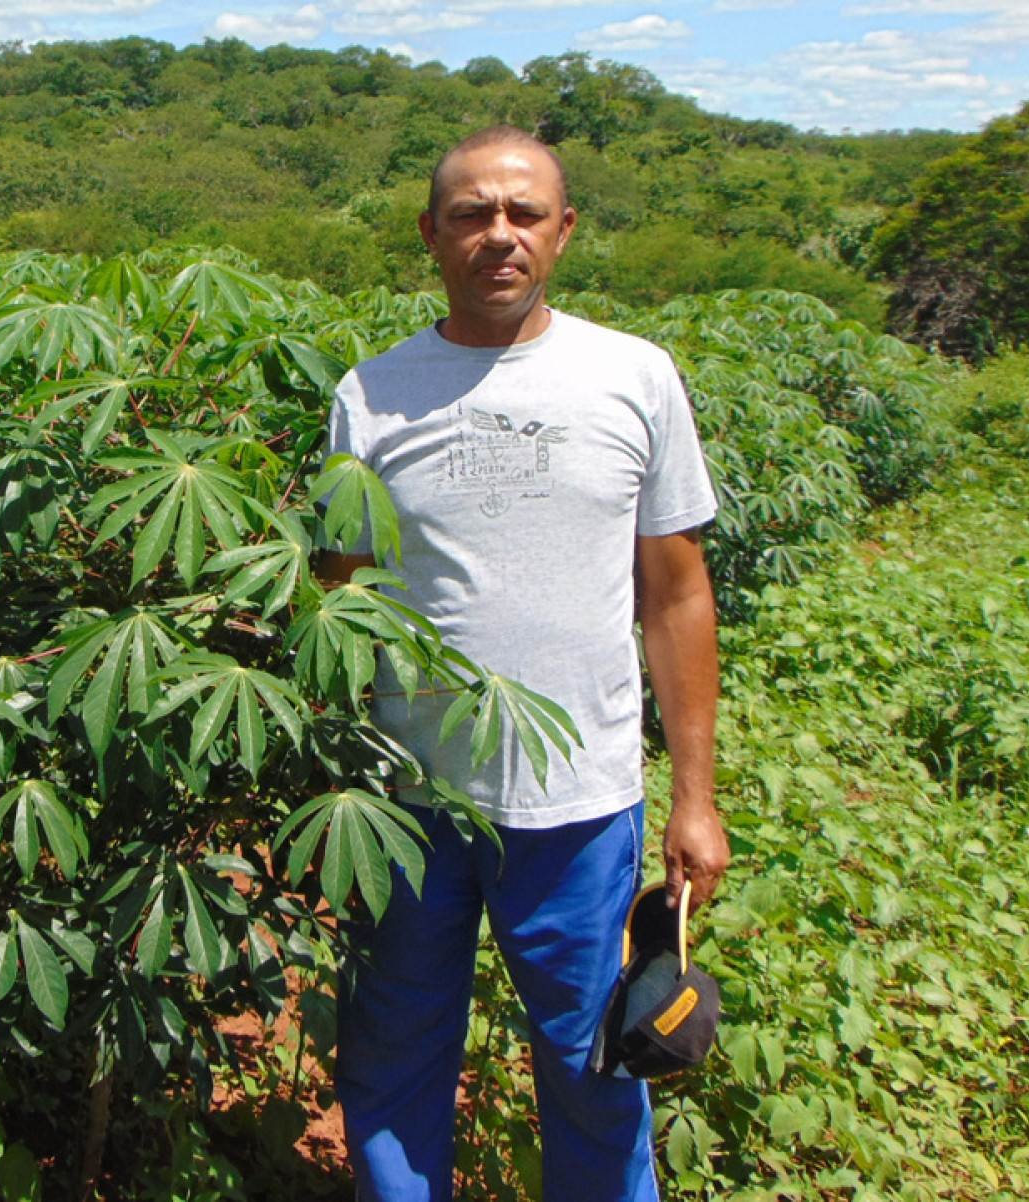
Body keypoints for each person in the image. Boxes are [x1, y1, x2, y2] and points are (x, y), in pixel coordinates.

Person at [317, 125, 730, 1202]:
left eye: (523, 213)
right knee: (395, 1059)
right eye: (470, 214)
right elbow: (339, 596)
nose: (498, 236)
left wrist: (696, 797)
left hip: (581, 801)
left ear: (563, 230)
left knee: (599, 1068)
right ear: (430, 234)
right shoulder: (370, 393)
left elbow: (677, 592)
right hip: (410, 803)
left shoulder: (634, 375)